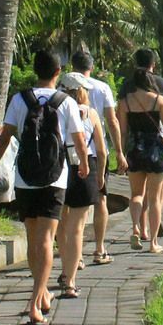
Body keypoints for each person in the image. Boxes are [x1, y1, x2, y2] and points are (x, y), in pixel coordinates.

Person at [0, 48, 90, 325]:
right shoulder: (66, 102)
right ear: (58, 72)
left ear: (35, 70)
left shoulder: (19, 99)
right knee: (46, 240)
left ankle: (40, 295)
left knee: (32, 240)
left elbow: (4, 139)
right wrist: (84, 166)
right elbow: (77, 139)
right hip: (55, 178)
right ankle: (35, 300)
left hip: (24, 178)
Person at [118, 61, 163, 253]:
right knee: (154, 198)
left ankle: (135, 228)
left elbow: (123, 132)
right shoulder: (159, 100)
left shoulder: (124, 103)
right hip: (155, 149)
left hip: (135, 149)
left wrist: (121, 153)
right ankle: (153, 243)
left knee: (136, 194)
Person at [53, 70, 111, 298]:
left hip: (59, 167)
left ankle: (65, 270)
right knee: (77, 227)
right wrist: (100, 175)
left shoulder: (55, 110)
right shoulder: (91, 114)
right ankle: (70, 279)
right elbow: (101, 150)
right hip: (84, 167)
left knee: (61, 224)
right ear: (80, 92)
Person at [69, 49, 125, 266]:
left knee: (70, 206)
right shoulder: (102, 88)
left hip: (70, 152)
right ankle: (99, 248)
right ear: (91, 67)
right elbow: (112, 121)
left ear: (72, 67)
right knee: (101, 198)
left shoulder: (64, 88)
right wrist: (119, 150)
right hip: (96, 149)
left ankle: (76, 253)